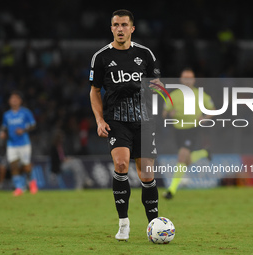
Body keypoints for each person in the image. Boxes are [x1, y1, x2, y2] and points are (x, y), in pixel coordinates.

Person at [89, 9, 160, 241]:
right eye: (116, 25)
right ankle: (123, 224)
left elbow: (156, 85)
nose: (120, 29)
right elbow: (95, 91)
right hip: (116, 120)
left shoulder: (145, 54)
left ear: (132, 29)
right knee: (121, 164)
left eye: (124, 25)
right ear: (111, 28)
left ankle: (154, 226)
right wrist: (100, 120)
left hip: (144, 120)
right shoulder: (101, 57)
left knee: (146, 173)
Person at [162, 68, 215, 199]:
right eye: (185, 78)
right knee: (186, 160)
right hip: (178, 131)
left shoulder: (200, 94)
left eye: (190, 78)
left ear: (194, 80)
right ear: (181, 79)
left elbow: (212, 109)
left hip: (192, 129)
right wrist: (169, 113)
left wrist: (204, 118)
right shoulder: (174, 95)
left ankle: (171, 190)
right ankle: (204, 153)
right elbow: (164, 113)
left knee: (182, 157)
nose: (187, 80)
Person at [0, 91, 37, 196]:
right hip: (11, 144)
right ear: (9, 101)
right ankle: (19, 188)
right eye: (12, 99)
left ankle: (32, 183)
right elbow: (4, 127)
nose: (14, 101)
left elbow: (33, 125)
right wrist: (2, 133)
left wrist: (24, 130)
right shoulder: (6, 115)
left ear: (20, 101)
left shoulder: (26, 112)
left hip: (24, 143)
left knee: (26, 166)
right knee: (13, 165)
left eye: (16, 99)